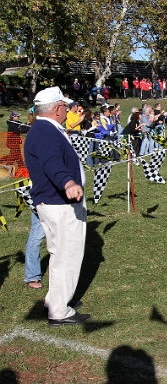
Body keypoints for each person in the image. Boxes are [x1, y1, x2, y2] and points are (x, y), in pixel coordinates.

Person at [24, 86, 90, 327]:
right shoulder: (45, 131)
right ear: (57, 108)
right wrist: (68, 181)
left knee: (59, 254)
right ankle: (59, 311)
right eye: (64, 105)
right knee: (66, 255)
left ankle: (56, 301)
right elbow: (52, 162)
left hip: (54, 202)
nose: (68, 108)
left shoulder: (44, 129)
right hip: (60, 203)